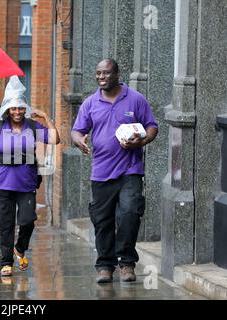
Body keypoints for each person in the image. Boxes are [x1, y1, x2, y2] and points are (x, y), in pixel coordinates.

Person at [71, 59, 158, 283]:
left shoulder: (135, 99)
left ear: (118, 74)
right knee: (102, 220)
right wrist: (80, 141)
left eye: (106, 73)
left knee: (130, 213)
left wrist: (142, 141)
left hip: (130, 170)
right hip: (101, 171)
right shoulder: (90, 103)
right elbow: (76, 130)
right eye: (98, 73)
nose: (101, 77)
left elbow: (152, 126)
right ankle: (105, 266)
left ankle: (127, 263)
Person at [0, 76, 60, 277]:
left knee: (28, 220)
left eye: (20, 108)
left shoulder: (32, 126)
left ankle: (20, 249)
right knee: (5, 225)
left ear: (25, 108)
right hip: (3, 183)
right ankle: (6, 262)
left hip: (27, 182)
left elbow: (55, 139)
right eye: (13, 108)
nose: (17, 112)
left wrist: (46, 118)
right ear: (7, 109)